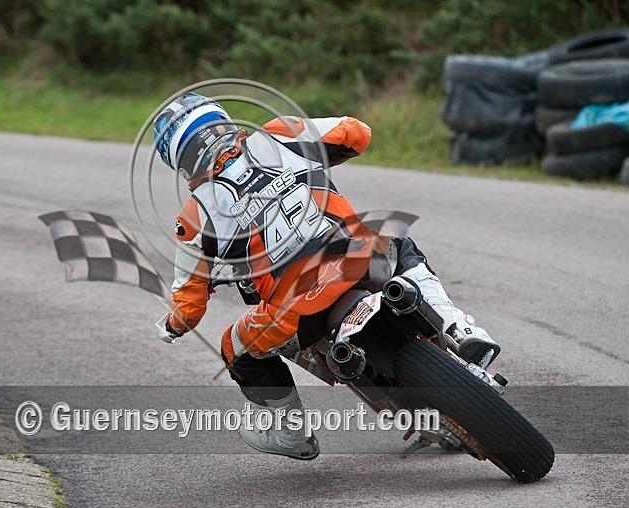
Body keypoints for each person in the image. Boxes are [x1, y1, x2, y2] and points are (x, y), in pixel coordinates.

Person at [153, 92, 500, 460]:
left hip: (296, 309)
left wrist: (172, 326)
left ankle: (291, 432)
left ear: (180, 161)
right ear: (223, 121)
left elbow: (188, 307)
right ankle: (458, 327)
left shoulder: (193, 217)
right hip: (360, 258)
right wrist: (322, 155)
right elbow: (356, 133)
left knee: (233, 349)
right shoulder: (279, 134)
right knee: (399, 244)